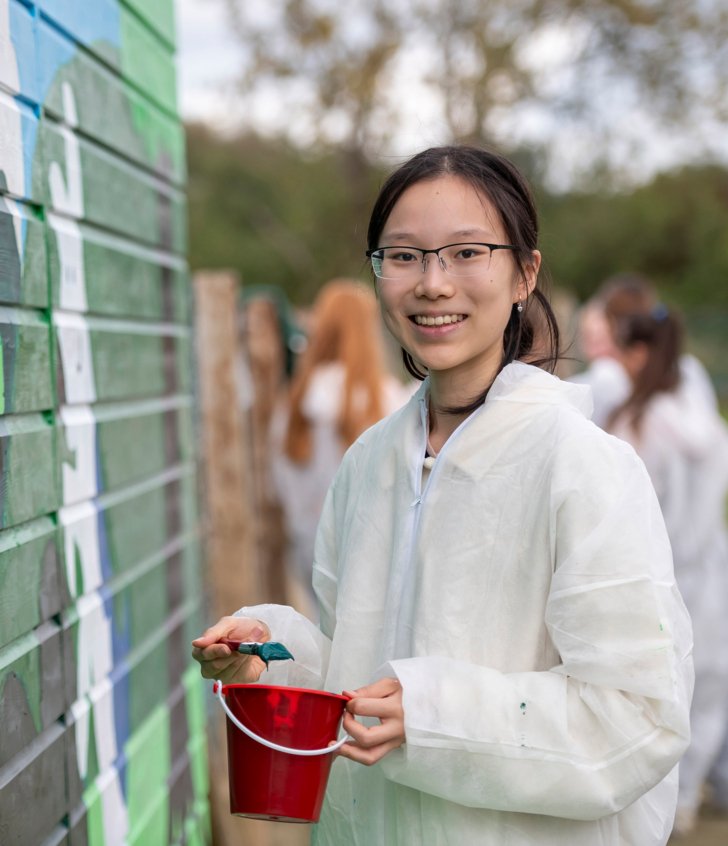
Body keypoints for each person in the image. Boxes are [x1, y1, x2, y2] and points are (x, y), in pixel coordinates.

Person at [192, 145, 693, 845]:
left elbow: (637, 717)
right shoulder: (368, 462)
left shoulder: (582, 464)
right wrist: (272, 653)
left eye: (466, 252)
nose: (432, 283)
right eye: (403, 255)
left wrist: (434, 716)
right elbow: (358, 671)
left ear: (525, 273)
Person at [606, 305, 728, 837]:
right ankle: (686, 805)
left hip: (656, 577)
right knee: (707, 690)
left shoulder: (641, 424)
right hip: (709, 570)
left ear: (637, 353)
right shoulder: (709, 423)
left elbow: (626, 511)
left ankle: (659, 805)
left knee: (656, 695)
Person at [270, 278, 412, 610]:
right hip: (374, 551)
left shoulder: (293, 406)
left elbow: (279, 483)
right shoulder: (387, 400)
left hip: (309, 545)